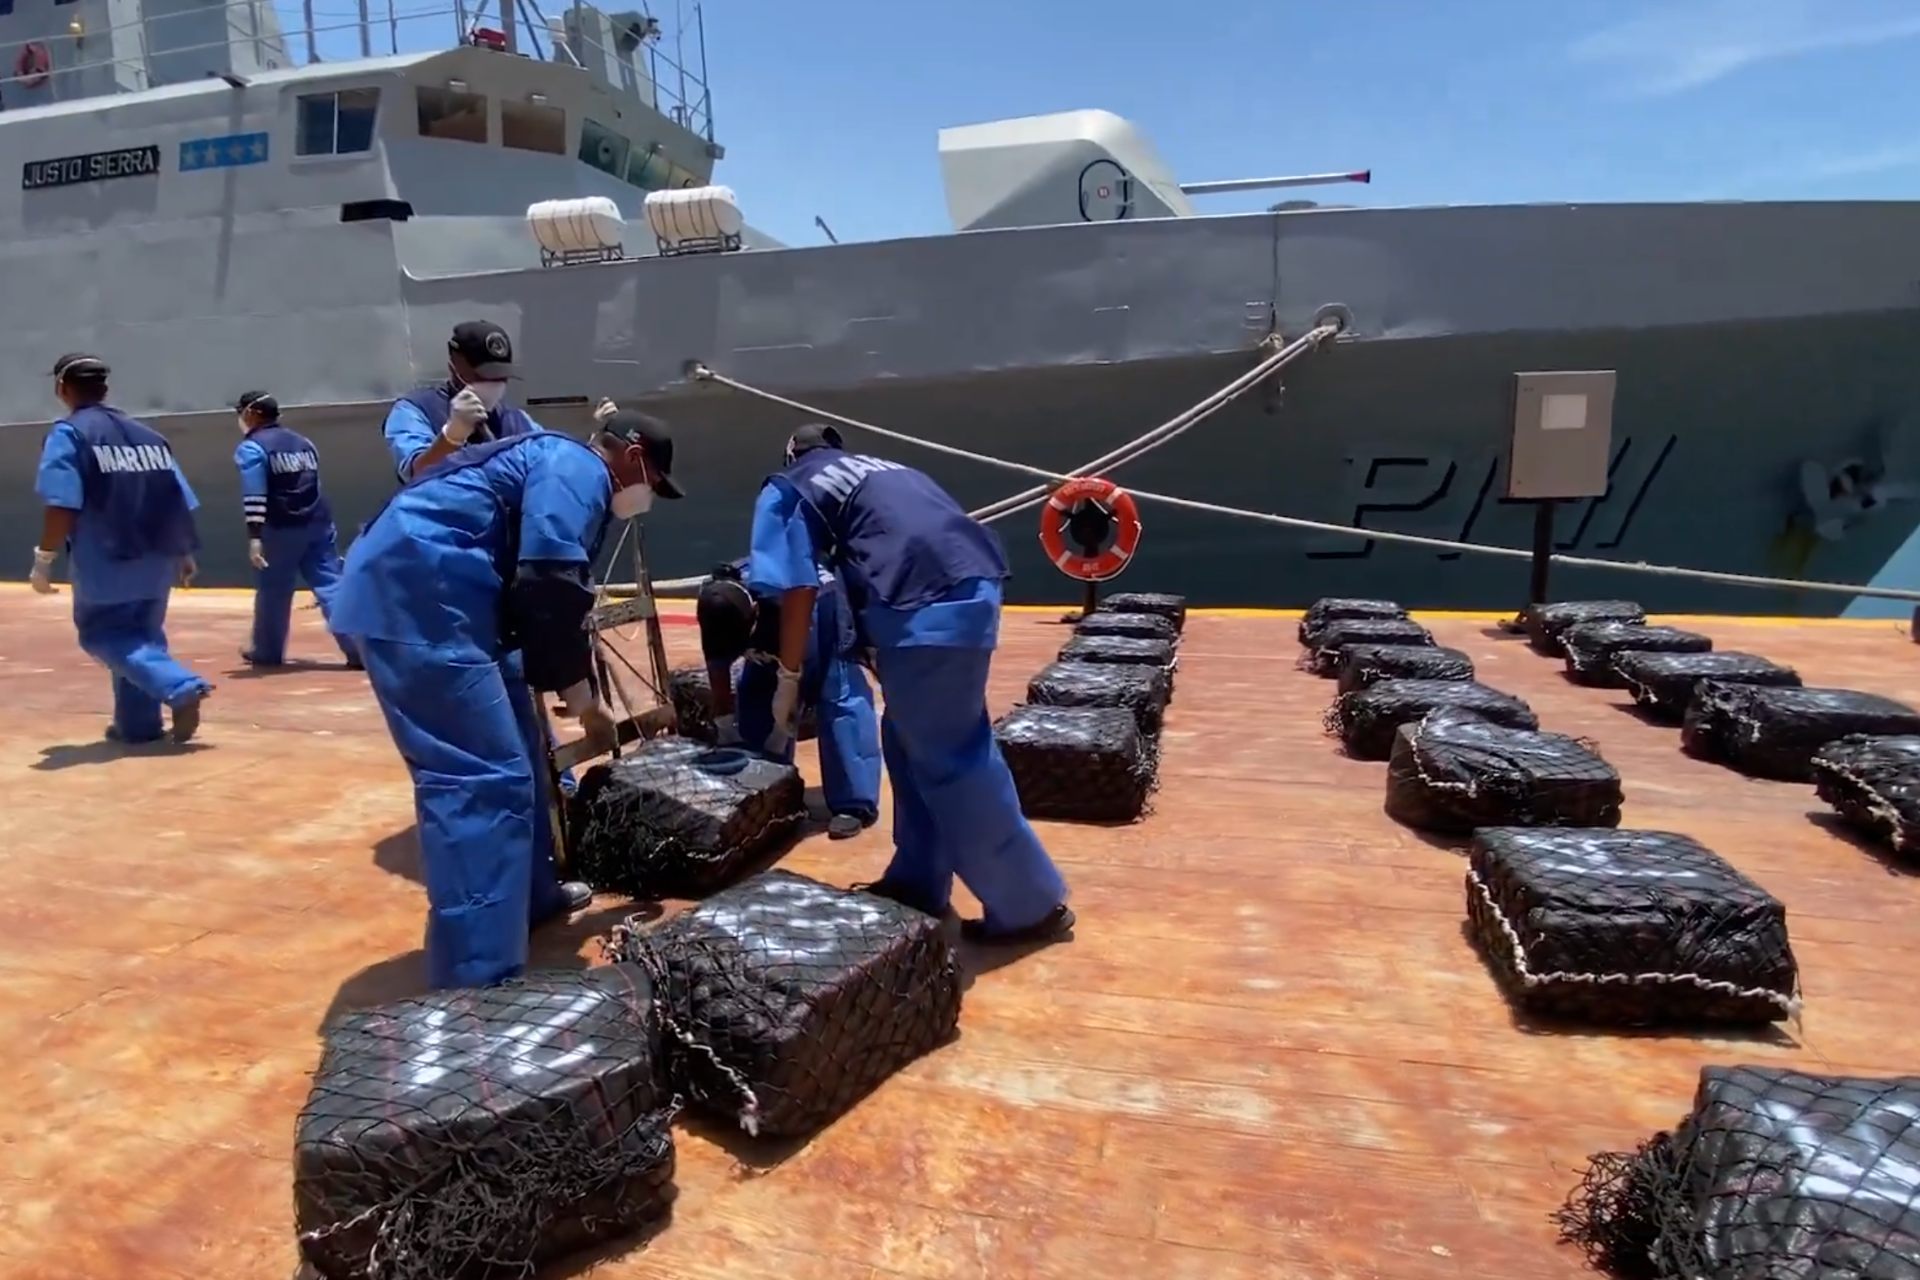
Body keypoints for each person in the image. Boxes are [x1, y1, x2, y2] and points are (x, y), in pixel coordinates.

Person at [330, 410, 683, 989]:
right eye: (652, 483)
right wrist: (584, 698)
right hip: (421, 602)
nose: (645, 497)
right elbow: (548, 579)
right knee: (482, 778)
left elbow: (544, 594)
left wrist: (562, 677)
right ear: (635, 457)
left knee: (525, 749)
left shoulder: (557, 466)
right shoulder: (578, 466)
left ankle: (529, 899)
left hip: (467, 606)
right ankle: (477, 975)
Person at [750, 423, 1073, 944]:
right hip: (967, 586)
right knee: (905, 741)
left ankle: (1029, 904)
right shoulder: (884, 469)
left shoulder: (789, 485)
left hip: (922, 609)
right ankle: (920, 878)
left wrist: (788, 680)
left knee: (951, 758)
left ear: (791, 456)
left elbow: (797, 589)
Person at [30, 354, 213, 744]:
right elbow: (175, 496)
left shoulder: (69, 434)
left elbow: (61, 502)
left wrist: (43, 559)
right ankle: (138, 726)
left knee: (103, 634)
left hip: (107, 557)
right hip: (159, 555)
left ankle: (180, 688)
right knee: (141, 639)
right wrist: (183, 553)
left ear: (62, 389)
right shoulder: (149, 436)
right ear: (105, 389)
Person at [696, 558, 882, 839]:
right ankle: (770, 791)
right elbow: (718, 665)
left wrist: (785, 714)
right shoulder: (714, 606)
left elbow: (792, 672)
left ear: (754, 615)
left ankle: (853, 803)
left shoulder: (779, 607)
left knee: (836, 693)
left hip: (815, 605)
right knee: (755, 694)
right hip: (770, 621)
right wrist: (724, 724)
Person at [232, 390, 359, 668]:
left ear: (252, 414)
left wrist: (255, 537)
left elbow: (255, 495)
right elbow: (315, 485)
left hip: (279, 529)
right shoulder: (304, 443)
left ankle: (267, 650)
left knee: (273, 592)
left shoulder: (252, 447)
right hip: (318, 524)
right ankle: (358, 648)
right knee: (332, 585)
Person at [382, 319, 542, 483]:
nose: (494, 383)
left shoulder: (515, 419)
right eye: (483, 376)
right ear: (453, 368)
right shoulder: (415, 409)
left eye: (501, 377)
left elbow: (548, 459)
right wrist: (452, 436)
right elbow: (415, 474)